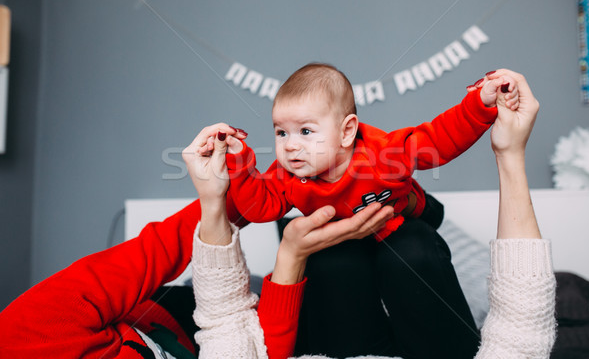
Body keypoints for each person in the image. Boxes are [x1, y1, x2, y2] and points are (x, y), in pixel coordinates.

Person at [193, 68, 556, 359]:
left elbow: (438, 139)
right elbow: (261, 206)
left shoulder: (382, 155)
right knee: (335, 261)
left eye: (305, 131)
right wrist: (239, 162)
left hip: (398, 213)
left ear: (347, 131)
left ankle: (425, 210)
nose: (291, 145)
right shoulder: (288, 175)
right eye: (280, 132)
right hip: (343, 237)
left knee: (414, 241)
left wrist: (480, 105)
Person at [0, 126, 393, 357]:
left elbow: (162, 248)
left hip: (177, 310)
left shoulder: (26, 331)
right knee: (343, 270)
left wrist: (254, 196)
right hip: (222, 330)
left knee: (346, 261)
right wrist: (292, 253)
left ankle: (409, 201)